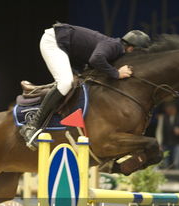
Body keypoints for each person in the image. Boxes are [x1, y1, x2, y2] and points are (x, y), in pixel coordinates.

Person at [19, 23, 151, 149]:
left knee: (76, 82)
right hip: (53, 41)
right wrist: (116, 73)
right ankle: (31, 125)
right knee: (65, 82)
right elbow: (96, 59)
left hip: (68, 48)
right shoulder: (114, 46)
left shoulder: (116, 49)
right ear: (131, 49)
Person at [156, 101, 179, 169]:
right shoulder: (163, 117)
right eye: (168, 109)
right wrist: (159, 143)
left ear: (175, 108)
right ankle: (166, 178)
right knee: (165, 162)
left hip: (177, 143)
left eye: (171, 109)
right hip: (165, 143)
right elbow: (159, 131)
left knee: (176, 162)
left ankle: (177, 178)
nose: (169, 111)